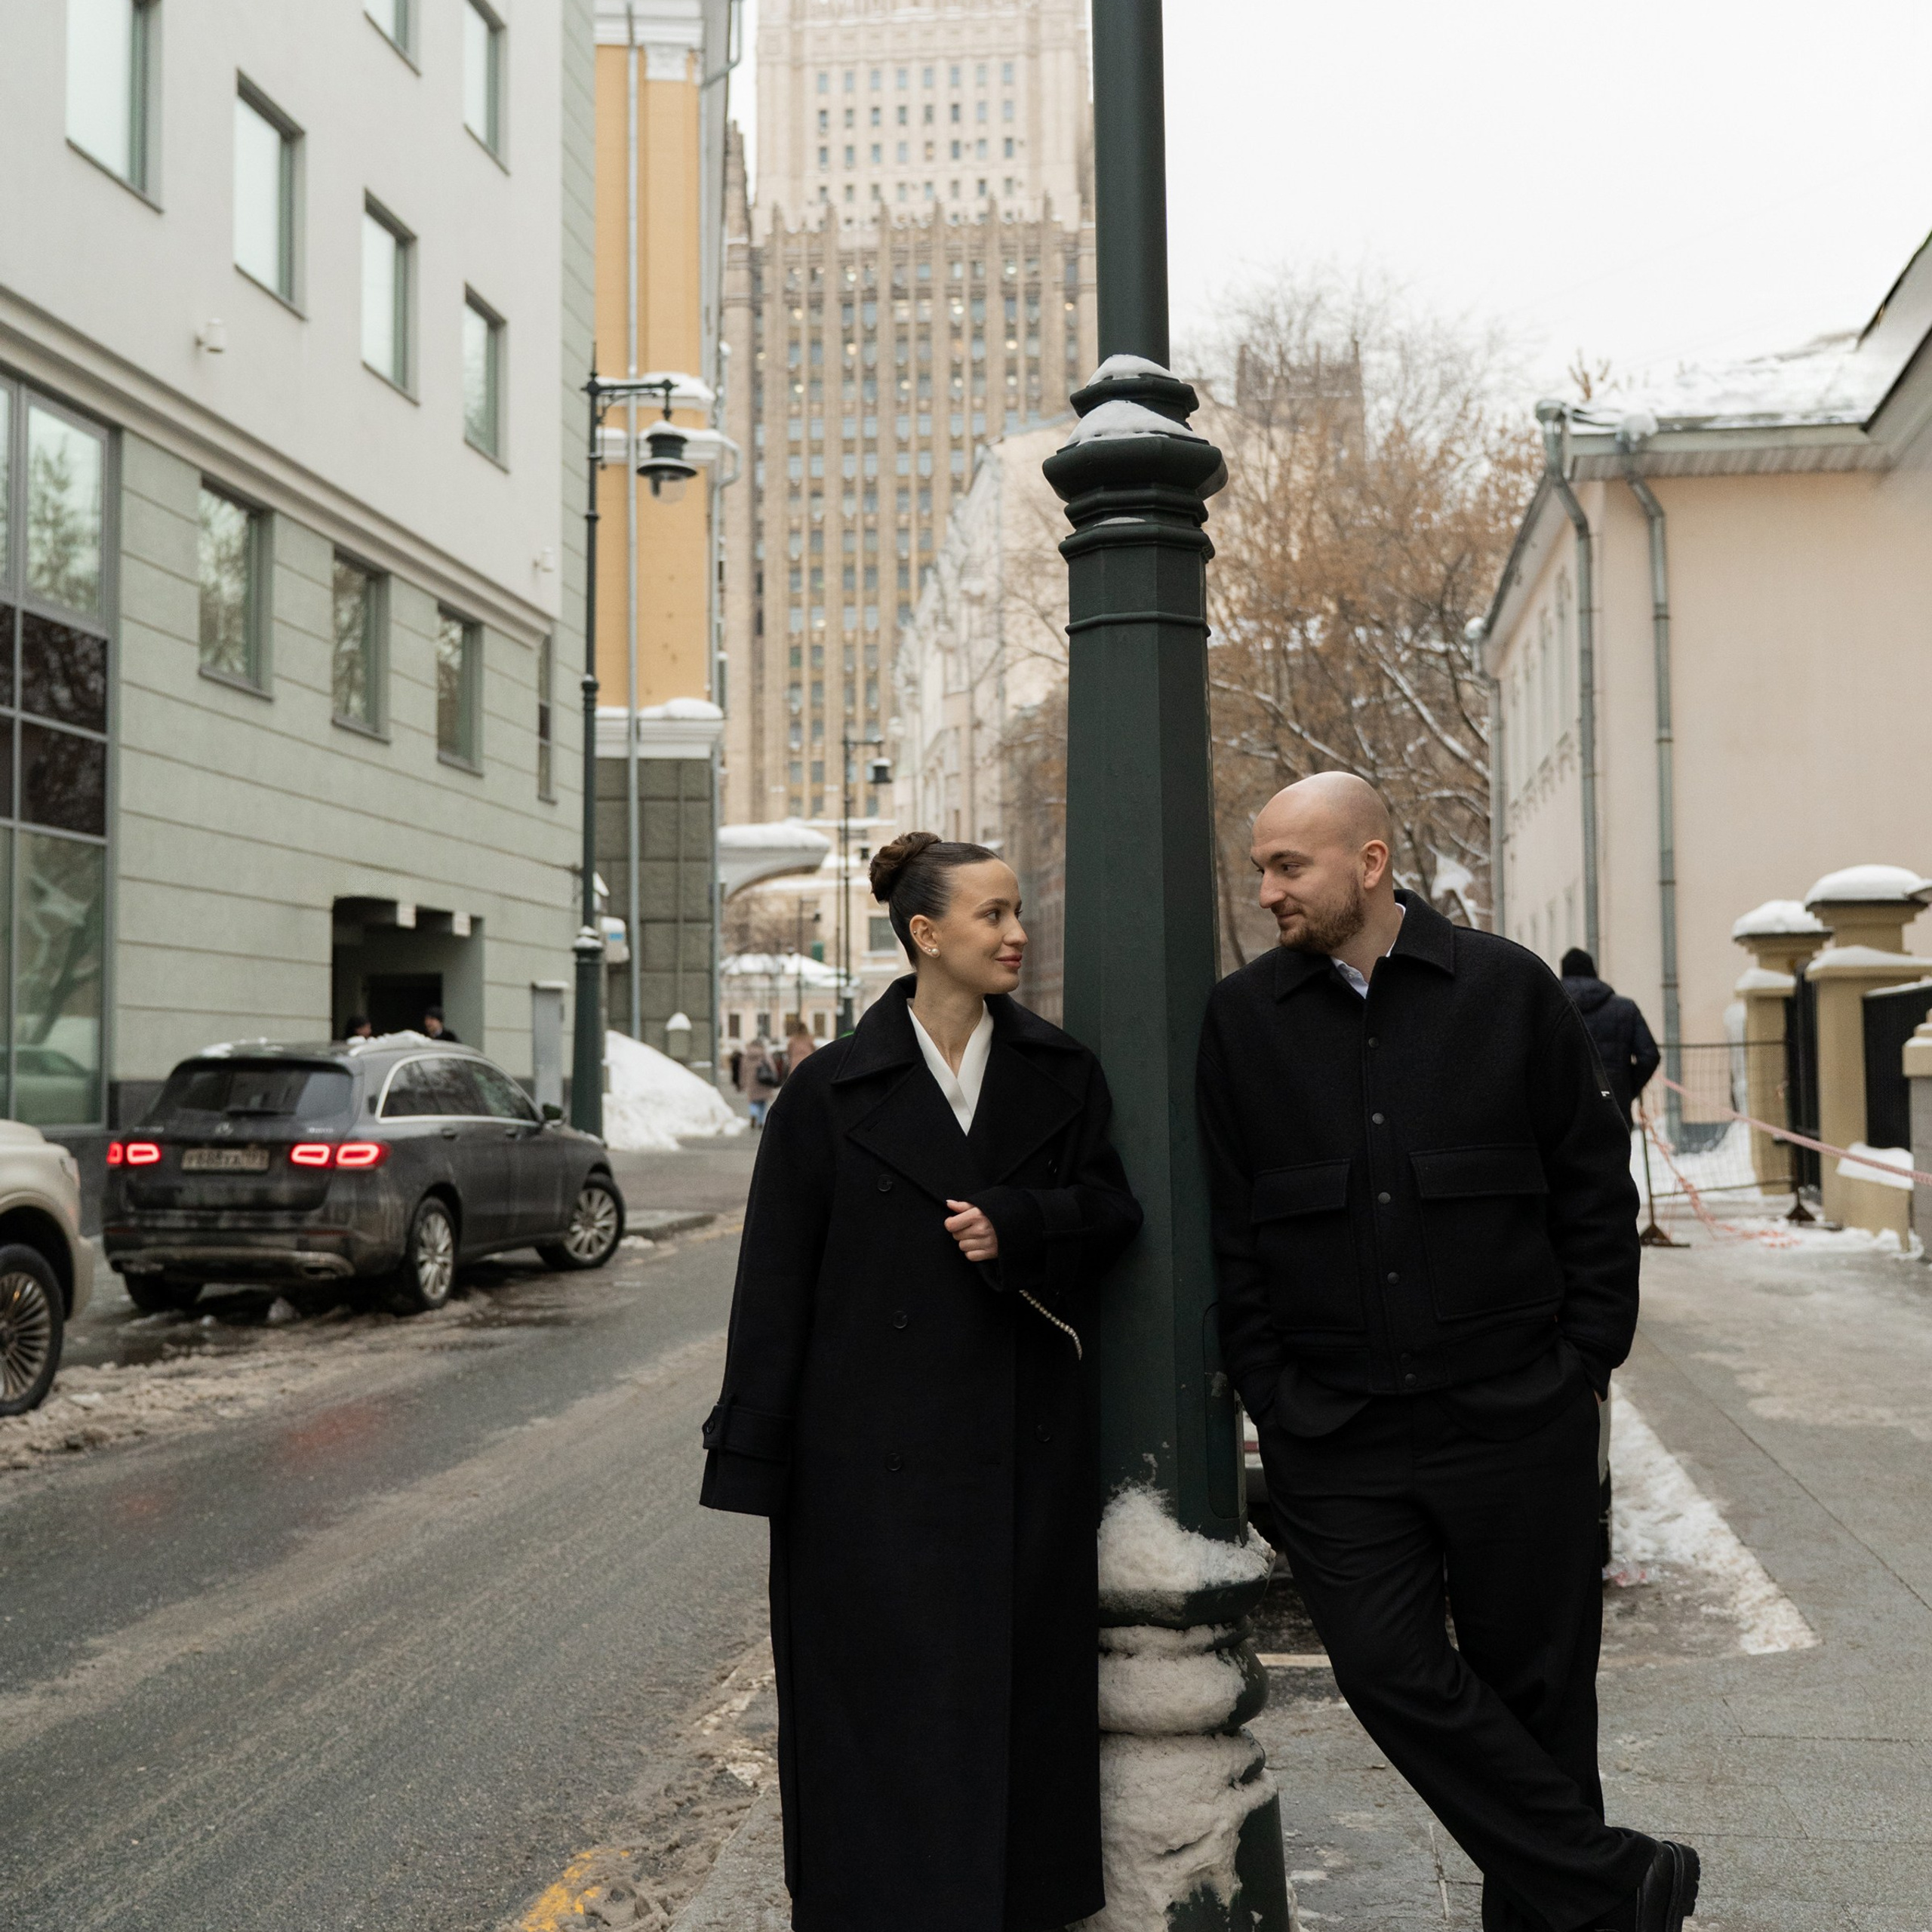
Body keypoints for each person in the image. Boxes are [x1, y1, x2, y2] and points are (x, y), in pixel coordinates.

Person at [1197, 773, 1700, 1932]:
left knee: (1538, 1704)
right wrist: (1270, 1382)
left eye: (1290, 867)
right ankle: (1621, 1883)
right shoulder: (1244, 1020)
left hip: (1516, 1417)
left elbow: (1589, 1186)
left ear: (1370, 864)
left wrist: (1586, 1361)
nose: (1266, 888)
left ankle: (1568, 1913)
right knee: (1387, 1671)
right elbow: (1235, 1227)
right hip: (1338, 1432)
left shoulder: (1509, 991)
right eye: (1263, 865)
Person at [700, 830, 1142, 1932]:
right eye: (992, 916)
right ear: (925, 933)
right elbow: (774, 1287)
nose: (1017, 934)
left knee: (1015, 1707)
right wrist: (758, 1454)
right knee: (874, 1719)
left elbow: (1113, 1215)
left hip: (1019, 1457)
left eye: (1017, 913)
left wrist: (1025, 1223)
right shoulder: (827, 1093)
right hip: (861, 1473)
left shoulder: (1059, 1071)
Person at [1561, 949, 1661, 1126]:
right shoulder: (1625, 1008)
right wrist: (1627, 1087)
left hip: (1565, 1105)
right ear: (1593, 972)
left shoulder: (1551, 1010)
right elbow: (1649, 1055)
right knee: (1614, 1152)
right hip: (1613, 1101)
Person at [737, 1036, 777, 1128]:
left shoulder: (747, 1055)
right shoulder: (764, 1053)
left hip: (751, 1082)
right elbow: (771, 1066)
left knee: (753, 1101)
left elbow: (742, 1070)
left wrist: (742, 1083)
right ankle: (760, 1121)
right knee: (763, 1102)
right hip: (763, 1081)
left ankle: (753, 1113)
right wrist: (774, 1076)